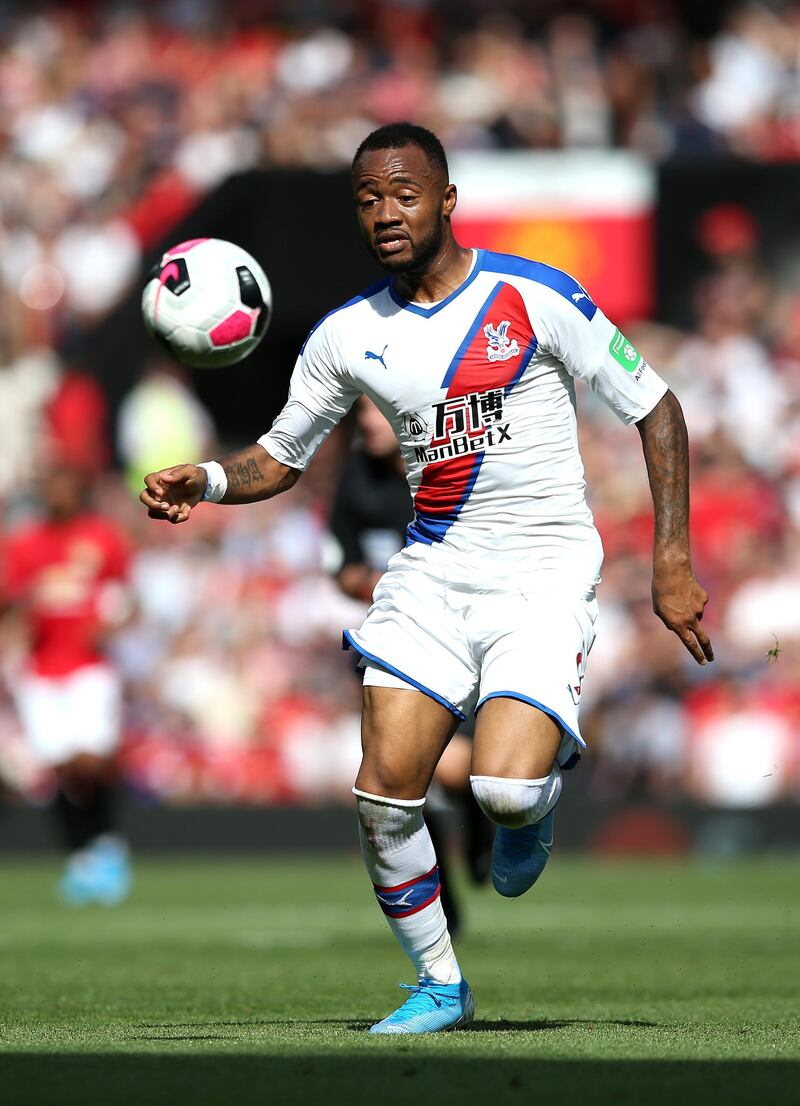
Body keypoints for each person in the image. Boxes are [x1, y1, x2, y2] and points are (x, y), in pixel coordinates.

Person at [140, 122, 713, 1034]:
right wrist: (205, 480)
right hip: (432, 574)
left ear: (447, 201)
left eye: (404, 193)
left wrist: (673, 559)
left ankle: (530, 815)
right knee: (382, 792)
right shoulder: (347, 335)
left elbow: (658, 408)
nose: (386, 213)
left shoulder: (534, 294)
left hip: (542, 572)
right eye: (368, 198)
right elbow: (283, 457)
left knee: (503, 791)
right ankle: (442, 983)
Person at [329, 395, 494, 936]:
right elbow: (342, 564)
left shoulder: (449, 468)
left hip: (458, 634)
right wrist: (373, 584)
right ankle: (443, 911)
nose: (369, 425)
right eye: (362, 416)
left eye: (378, 413)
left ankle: (483, 831)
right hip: (395, 636)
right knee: (400, 783)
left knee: (459, 769)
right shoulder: (355, 477)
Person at [1, 466, 133, 904]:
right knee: (57, 767)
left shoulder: (103, 537)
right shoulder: (24, 544)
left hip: (89, 665)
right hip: (41, 669)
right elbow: (14, 604)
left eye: (65, 483)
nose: (58, 492)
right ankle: (83, 856)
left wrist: (115, 626)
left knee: (90, 760)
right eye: (51, 484)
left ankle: (107, 842)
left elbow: (127, 600)